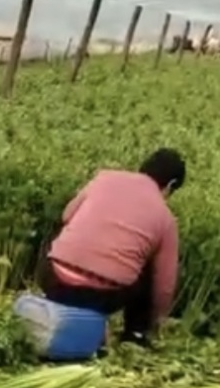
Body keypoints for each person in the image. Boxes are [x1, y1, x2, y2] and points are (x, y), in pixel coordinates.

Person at [40, 148, 185, 345]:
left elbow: (67, 215)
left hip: (54, 278)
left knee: (68, 229)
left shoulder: (104, 178)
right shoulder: (165, 218)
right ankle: (135, 335)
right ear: (170, 185)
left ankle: (53, 302)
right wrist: (157, 318)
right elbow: (164, 286)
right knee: (151, 265)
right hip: (101, 296)